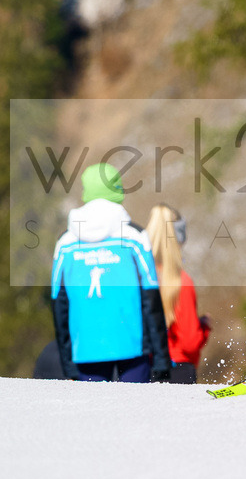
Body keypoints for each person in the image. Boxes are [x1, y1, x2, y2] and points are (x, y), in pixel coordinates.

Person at [50, 162, 171, 382]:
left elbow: (59, 304)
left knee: (92, 415)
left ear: (86, 192)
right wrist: (162, 357)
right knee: (137, 414)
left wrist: (68, 364)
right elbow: (151, 298)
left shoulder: (65, 243)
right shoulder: (135, 237)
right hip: (134, 347)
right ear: (118, 190)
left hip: (86, 350)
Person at [146, 204, 211, 384]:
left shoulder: (138, 275)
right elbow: (189, 342)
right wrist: (203, 328)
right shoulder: (181, 281)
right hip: (179, 369)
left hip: (142, 367)